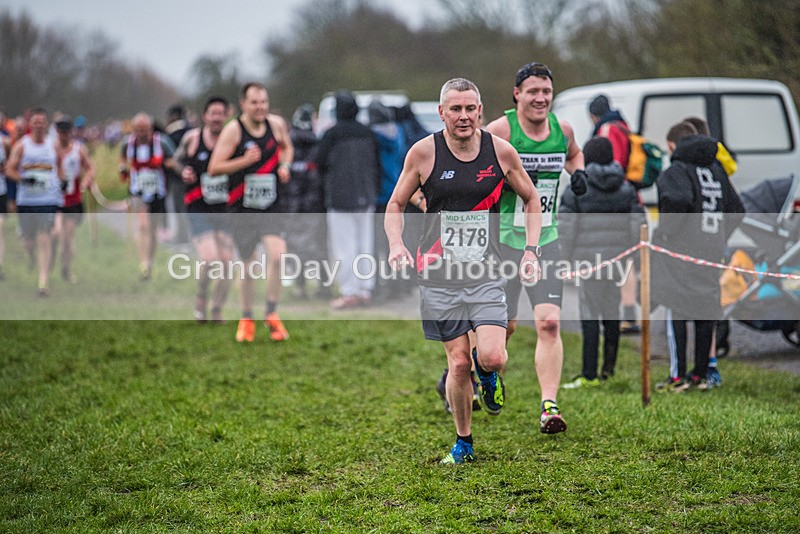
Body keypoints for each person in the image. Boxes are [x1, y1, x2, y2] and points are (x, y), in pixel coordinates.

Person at [385, 78, 543, 464]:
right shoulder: (423, 153)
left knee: (493, 356)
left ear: (480, 111)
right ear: (442, 113)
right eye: (455, 109)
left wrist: (531, 250)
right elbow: (395, 204)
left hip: (486, 273)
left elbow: (532, 198)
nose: (464, 116)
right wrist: (396, 245)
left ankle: (488, 378)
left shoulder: (500, 152)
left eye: (470, 108)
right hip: (438, 276)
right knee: (457, 362)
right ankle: (464, 442)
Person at [485, 61, 586, 434]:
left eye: (546, 91)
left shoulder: (564, 130)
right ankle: (478, 371)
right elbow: (476, 165)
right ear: (517, 94)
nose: (541, 98)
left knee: (549, 322)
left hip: (546, 240)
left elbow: (574, 153)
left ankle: (549, 406)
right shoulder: (501, 129)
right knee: (504, 328)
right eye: (533, 91)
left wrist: (580, 174)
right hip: (504, 244)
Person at [653, 121, 744, 392]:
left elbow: (677, 202)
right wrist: (719, 237)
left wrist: (665, 235)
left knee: (677, 310)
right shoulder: (716, 170)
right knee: (706, 312)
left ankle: (678, 376)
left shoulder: (677, 171)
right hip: (711, 252)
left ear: (673, 145)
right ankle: (702, 374)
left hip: (682, 253)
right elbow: (737, 209)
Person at [208, 82, 293, 343]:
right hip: (242, 207)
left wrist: (285, 165)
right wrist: (244, 161)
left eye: (264, 102)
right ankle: (246, 318)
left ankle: (271, 312)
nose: (260, 107)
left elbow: (287, 147)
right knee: (248, 266)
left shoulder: (275, 124)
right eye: (255, 103)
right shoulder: (234, 131)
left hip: (270, 205)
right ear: (243, 104)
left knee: (278, 256)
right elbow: (214, 167)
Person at [559, 137, 646, 388]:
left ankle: (588, 374)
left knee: (589, 316)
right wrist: (634, 258)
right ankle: (609, 369)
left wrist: (564, 259)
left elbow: (567, 227)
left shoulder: (578, 188)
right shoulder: (626, 187)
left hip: (588, 263)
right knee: (612, 314)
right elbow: (637, 225)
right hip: (617, 262)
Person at [314, 90, 380, 310]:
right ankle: (365, 290)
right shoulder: (367, 133)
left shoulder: (331, 134)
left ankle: (349, 292)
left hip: (340, 197)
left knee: (345, 247)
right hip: (366, 195)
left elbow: (319, 161)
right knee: (365, 245)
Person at [175, 96, 235, 324]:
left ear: (226, 115)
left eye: (221, 113)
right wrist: (183, 172)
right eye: (213, 113)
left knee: (227, 263)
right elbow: (174, 161)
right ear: (205, 116)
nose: (217, 118)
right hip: (198, 206)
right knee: (210, 260)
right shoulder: (192, 139)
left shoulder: (233, 139)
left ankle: (217, 309)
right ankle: (201, 299)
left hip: (225, 208)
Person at [588, 94, 641, 335]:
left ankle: (623, 316)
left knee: (615, 261)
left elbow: (613, 163)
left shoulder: (608, 129)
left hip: (614, 200)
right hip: (629, 196)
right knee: (626, 260)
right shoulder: (624, 125)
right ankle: (628, 315)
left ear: (593, 115)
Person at [5, 108, 65, 296]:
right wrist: (22, 179)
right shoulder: (22, 146)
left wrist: (61, 184)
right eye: (35, 122)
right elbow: (9, 169)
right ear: (30, 125)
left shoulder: (52, 145)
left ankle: (43, 281)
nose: (39, 125)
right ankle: (31, 257)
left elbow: (60, 167)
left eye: (42, 122)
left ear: (46, 125)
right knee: (29, 242)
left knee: (44, 237)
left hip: (47, 200)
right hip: (27, 201)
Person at [119, 112, 177, 280]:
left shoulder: (162, 142)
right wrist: (122, 168)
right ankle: (143, 263)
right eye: (138, 130)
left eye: (144, 130)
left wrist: (169, 164)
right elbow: (122, 160)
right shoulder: (127, 144)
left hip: (157, 190)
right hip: (137, 190)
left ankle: (149, 262)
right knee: (142, 225)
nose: (141, 134)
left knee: (152, 230)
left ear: (151, 129)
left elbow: (174, 159)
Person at [285, 103, 326, 299]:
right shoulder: (318, 144)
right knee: (319, 246)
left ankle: (300, 287)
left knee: (295, 246)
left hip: (293, 204)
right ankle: (322, 286)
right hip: (315, 204)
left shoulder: (287, 144)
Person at [369, 99, 407, 301]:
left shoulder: (374, 135)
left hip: (381, 196)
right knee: (398, 242)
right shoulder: (398, 131)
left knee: (381, 246)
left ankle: (381, 288)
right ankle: (399, 285)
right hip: (398, 191)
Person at [52, 115, 94, 283]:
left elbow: (91, 168)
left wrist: (85, 182)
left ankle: (66, 270)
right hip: (54, 200)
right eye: (61, 132)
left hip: (73, 201)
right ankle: (50, 258)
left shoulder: (78, 150)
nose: (64, 135)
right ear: (57, 132)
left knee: (67, 240)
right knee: (56, 233)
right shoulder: (50, 149)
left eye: (67, 132)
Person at [164, 104, 192, 245]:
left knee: (180, 209)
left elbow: (169, 158)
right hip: (193, 175)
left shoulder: (170, 135)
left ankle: (183, 238)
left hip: (177, 177)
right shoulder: (192, 131)